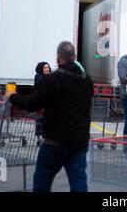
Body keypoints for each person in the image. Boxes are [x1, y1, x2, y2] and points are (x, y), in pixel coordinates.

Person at [6, 41, 93, 192]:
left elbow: (32, 104)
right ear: (74, 57)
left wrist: (13, 97)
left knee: (43, 177)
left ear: (58, 58)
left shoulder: (53, 80)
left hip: (55, 140)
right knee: (78, 179)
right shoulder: (87, 80)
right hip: (79, 139)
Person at [34, 62, 51, 145]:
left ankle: (46, 138)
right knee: (40, 120)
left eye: (47, 67)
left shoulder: (49, 76)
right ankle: (39, 139)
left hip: (49, 103)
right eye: (44, 68)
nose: (46, 69)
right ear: (41, 69)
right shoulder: (38, 77)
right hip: (41, 102)